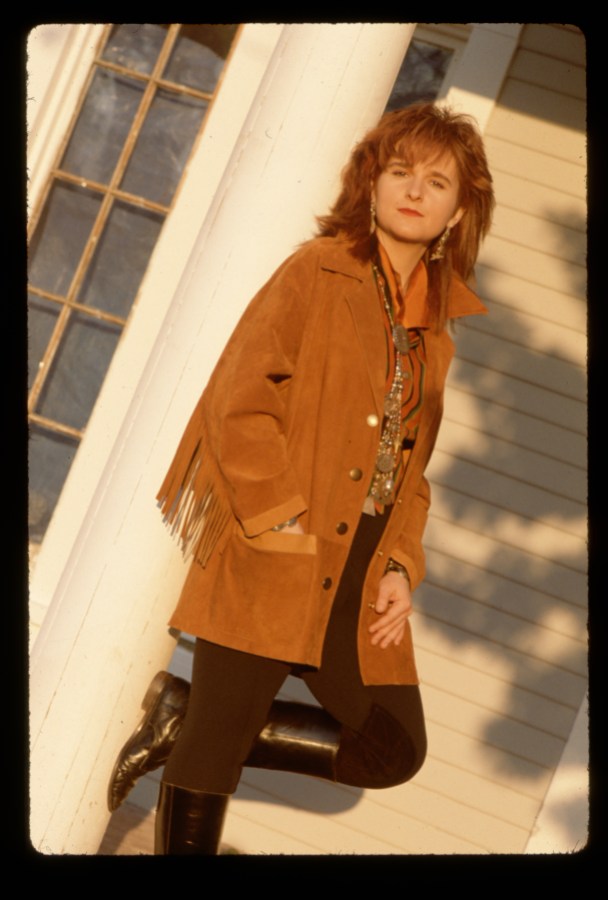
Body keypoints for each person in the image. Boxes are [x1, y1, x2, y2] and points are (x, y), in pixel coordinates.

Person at [108, 103, 494, 855]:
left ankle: (181, 720)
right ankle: (197, 732)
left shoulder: (435, 334)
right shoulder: (316, 271)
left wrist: (402, 563)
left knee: (394, 749)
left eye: (438, 181)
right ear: (371, 184)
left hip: (360, 573)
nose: (415, 190)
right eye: (400, 171)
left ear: (459, 211)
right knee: (213, 762)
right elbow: (239, 398)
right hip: (277, 551)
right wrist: (275, 514)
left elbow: (413, 472)